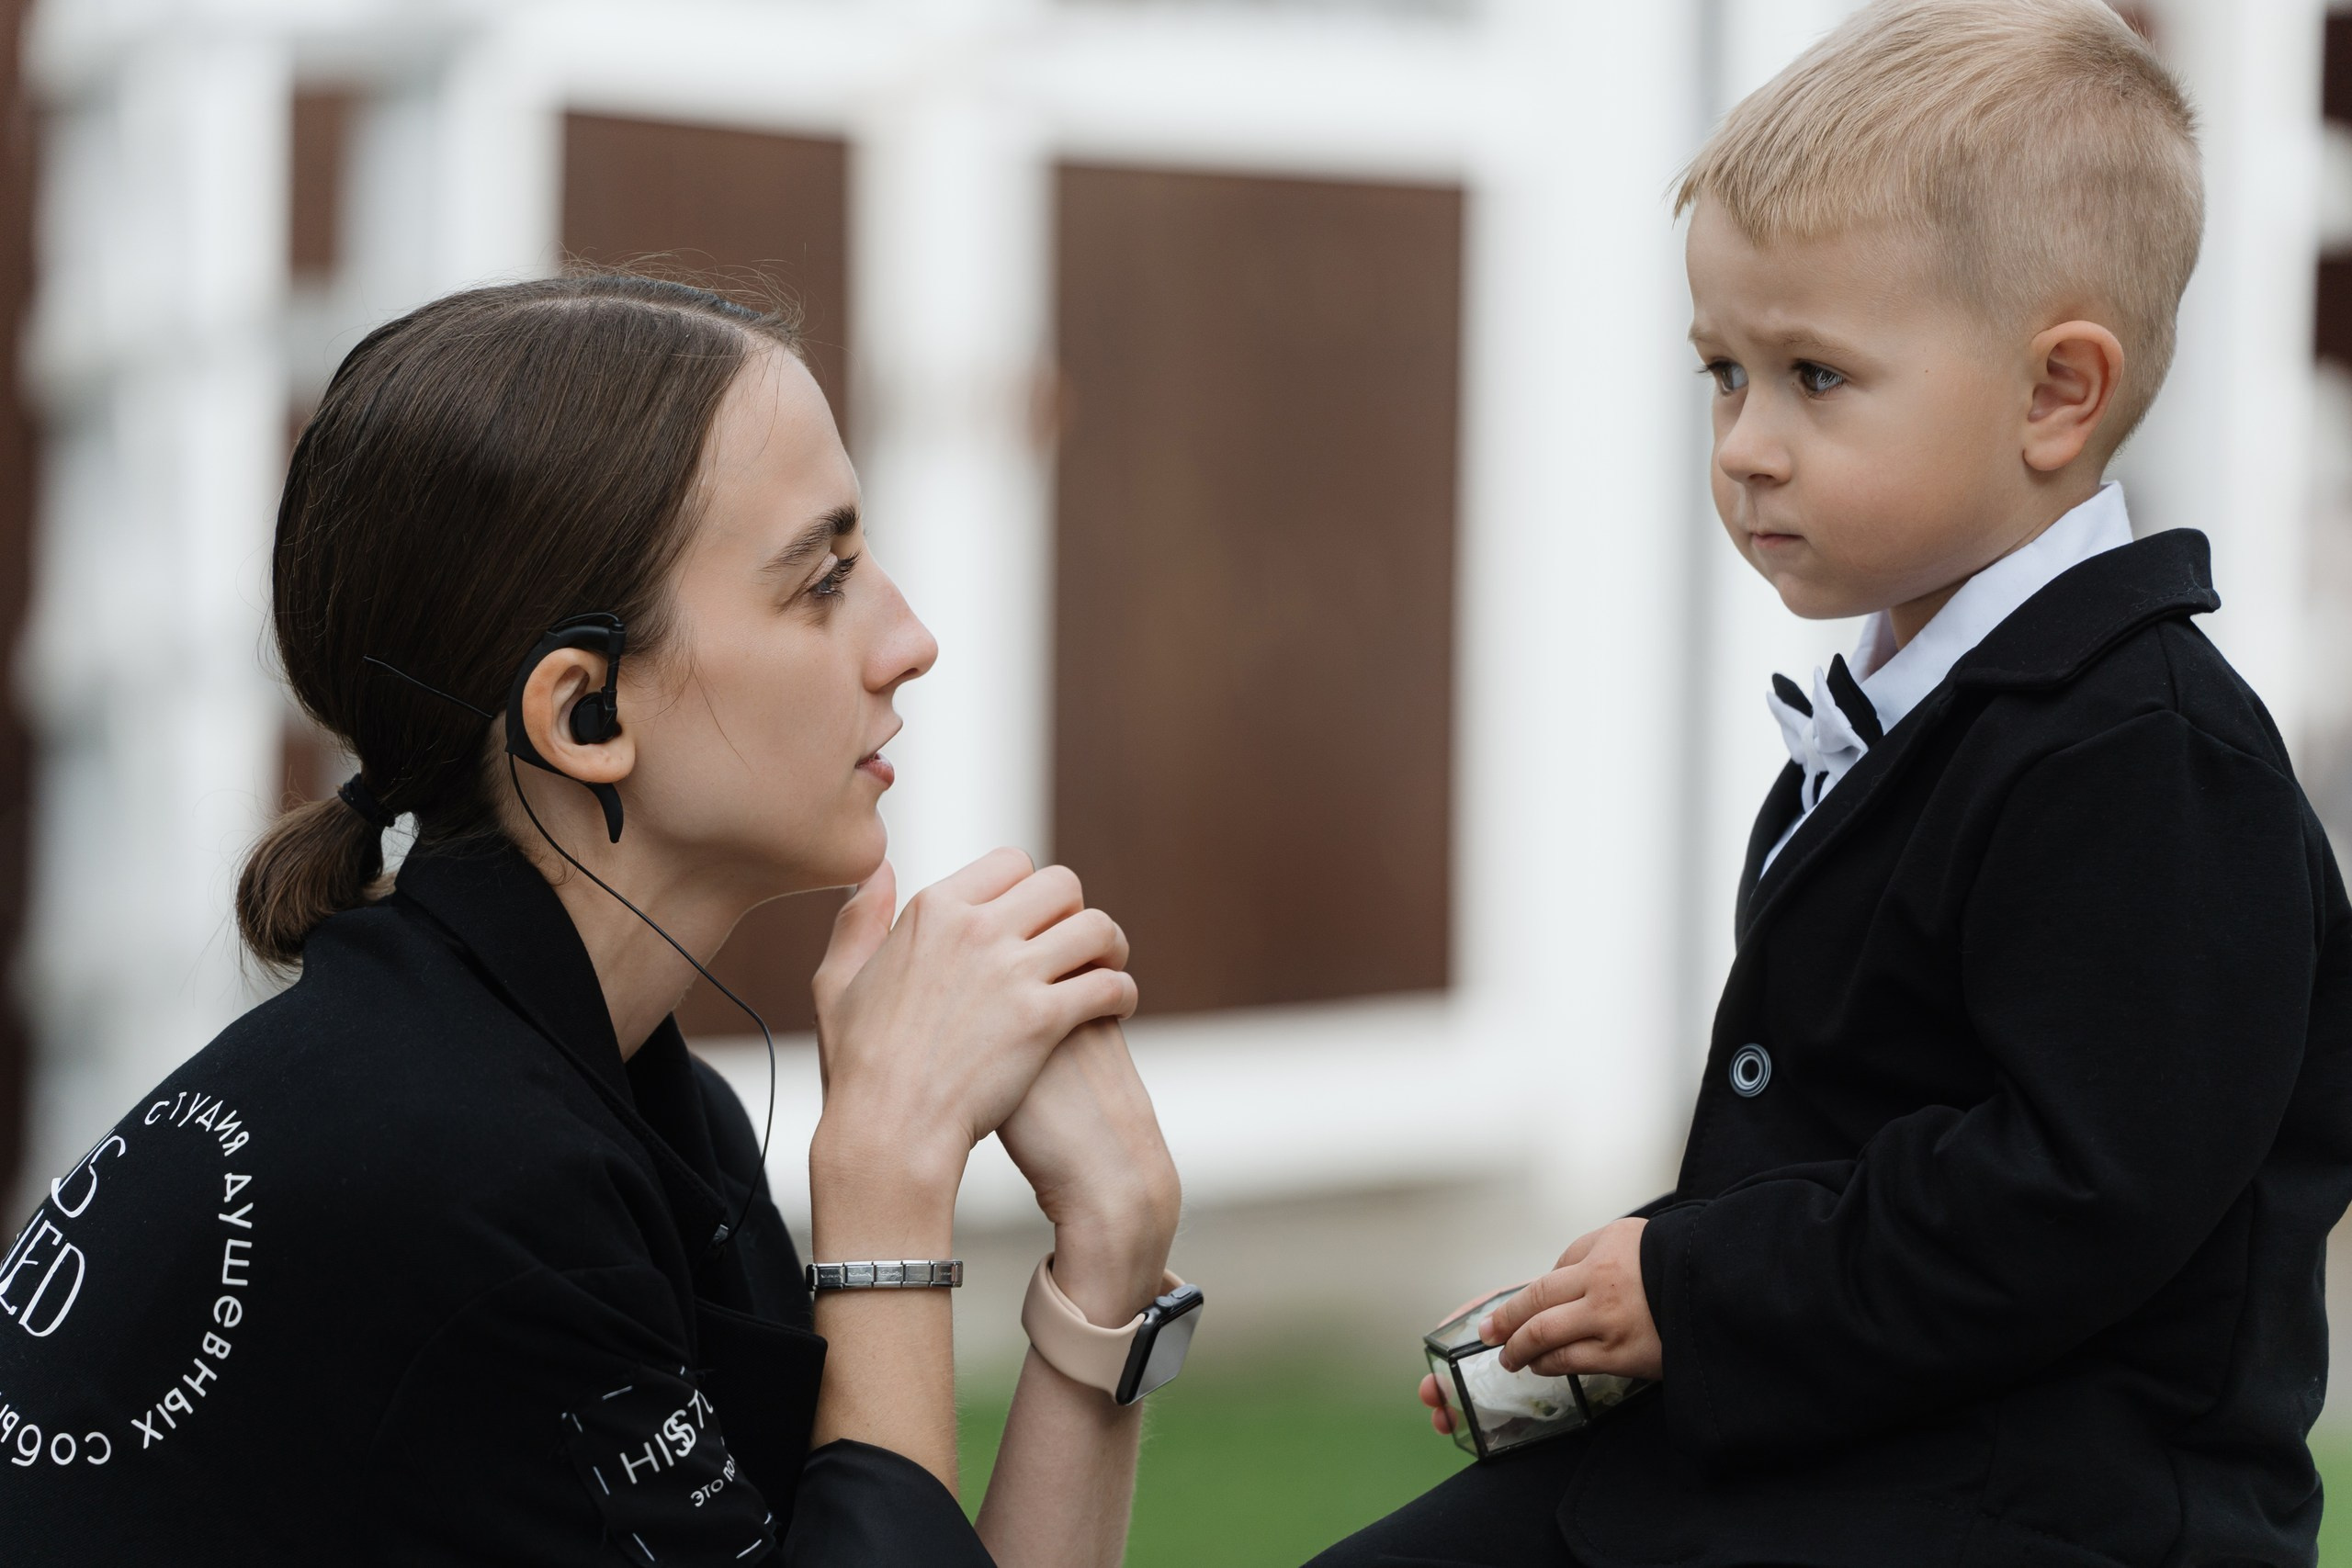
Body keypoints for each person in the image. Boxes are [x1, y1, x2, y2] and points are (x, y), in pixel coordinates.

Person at [1316, 2, 2352, 1563]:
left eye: (1815, 376)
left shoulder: (2149, 759)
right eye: (1722, 373)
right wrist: (1648, 1282)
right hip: (1845, 1438)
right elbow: (1857, 1124)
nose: (1745, 444)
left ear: (2057, 394)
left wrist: (1700, 1289)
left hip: (2052, 1505)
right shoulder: (1929, 699)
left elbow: (2075, 1193)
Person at [0, 274, 1191, 1566]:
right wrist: (890, 1177)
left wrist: (1106, 1280)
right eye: (824, 579)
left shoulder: (616, 1113)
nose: (909, 639)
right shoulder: (457, 1189)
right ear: (586, 717)